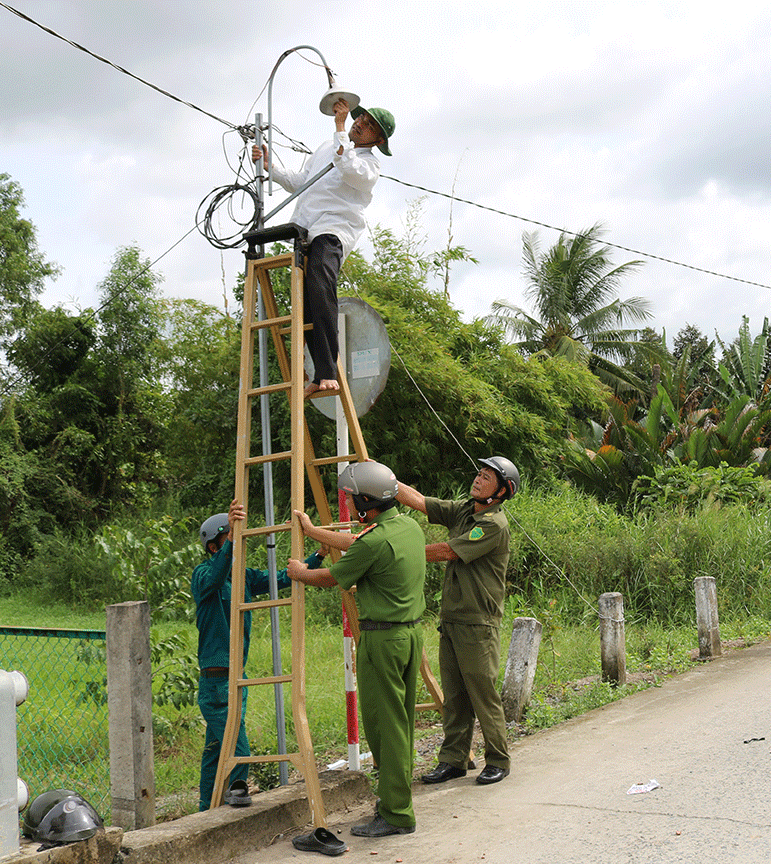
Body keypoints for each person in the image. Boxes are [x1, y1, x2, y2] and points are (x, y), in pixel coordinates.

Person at [286, 461, 427, 839]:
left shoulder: (375, 541)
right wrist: (314, 531)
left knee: (385, 727)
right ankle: (395, 801)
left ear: (366, 502)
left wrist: (299, 572)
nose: (349, 503)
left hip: (383, 641)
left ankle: (397, 813)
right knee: (400, 723)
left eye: (351, 498)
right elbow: (359, 544)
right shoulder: (408, 527)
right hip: (410, 636)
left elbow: (331, 577)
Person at [251, 99, 396, 397]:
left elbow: (347, 167)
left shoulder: (370, 165)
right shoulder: (326, 147)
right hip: (305, 228)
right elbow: (302, 182)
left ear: (378, 141)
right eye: (361, 118)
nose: (360, 124)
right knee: (305, 300)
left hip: (333, 229)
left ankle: (329, 371)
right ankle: (319, 373)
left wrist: (340, 126)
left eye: (369, 125)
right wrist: (270, 167)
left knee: (320, 282)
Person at [394, 457, 519, 787]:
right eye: (479, 473)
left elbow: (447, 551)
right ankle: (453, 760)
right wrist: (382, 479)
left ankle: (498, 760)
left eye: (487, 477)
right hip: (452, 618)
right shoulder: (465, 510)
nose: (478, 479)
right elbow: (420, 501)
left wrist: (397, 551)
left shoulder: (493, 524)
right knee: (454, 697)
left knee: (482, 694)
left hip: (478, 621)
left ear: (502, 491)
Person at [192, 499, 318, 811]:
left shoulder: (245, 576)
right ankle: (236, 790)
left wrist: (318, 556)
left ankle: (206, 807)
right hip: (217, 681)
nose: (239, 543)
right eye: (230, 538)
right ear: (214, 546)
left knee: (215, 749)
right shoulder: (203, 574)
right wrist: (231, 542)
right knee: (238, 745)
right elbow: (216, 577)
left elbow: (283, 578)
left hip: (238, 677)